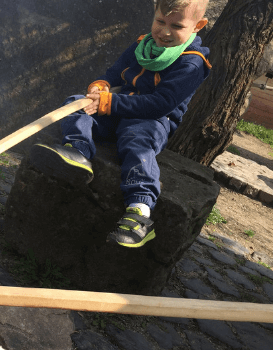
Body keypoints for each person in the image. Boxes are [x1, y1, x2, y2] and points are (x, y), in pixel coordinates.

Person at [29, 0, 212, 248]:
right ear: (154, 14)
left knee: (137, 140)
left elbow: (160, 104)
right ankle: (77, 152)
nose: (165, 31)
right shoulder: (141, 45)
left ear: (198, 25)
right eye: (160, 21)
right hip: (117, 108)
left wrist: (109, 103)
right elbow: (114, 73)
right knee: (75, 103)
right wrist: (100, 86)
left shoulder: (193, 62)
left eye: (177, 26)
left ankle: (140, 212)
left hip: (153, 120)